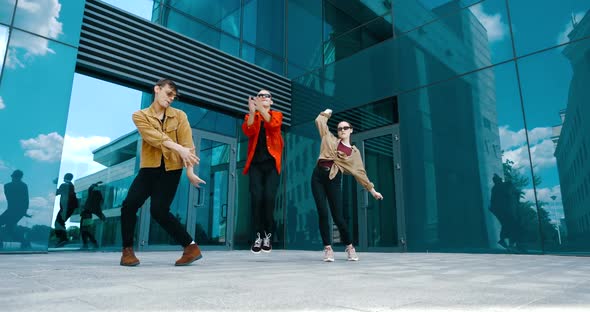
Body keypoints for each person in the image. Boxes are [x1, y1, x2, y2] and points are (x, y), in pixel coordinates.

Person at [119, 78, 206, 267]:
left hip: (171, 170)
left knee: (159, 210)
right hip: (149, 169)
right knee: (129, 204)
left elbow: (187, 144)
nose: (171, 98)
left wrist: (190, 172)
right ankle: (127, 251)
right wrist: (179, 149)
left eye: (174, 96)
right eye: (168, 93)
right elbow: (153, 137)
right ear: (157, 89)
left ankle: (191, 247)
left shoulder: (180, 115)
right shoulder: (139, 115)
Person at [312, 109, 383, 262]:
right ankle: (328, 249)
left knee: (338, 216)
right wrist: (326, 113)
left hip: (334, 178)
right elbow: (319, 122)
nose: (342, 130)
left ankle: (349, 246)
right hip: (318, 176)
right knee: (323, 213)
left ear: (351, 130)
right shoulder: (329, 138)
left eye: (345, 128)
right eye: (339, 128)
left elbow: (360, 173)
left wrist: (373, 191)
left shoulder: (354, 153)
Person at [242, 89, 284, 254]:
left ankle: (268, 235)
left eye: (266, 96)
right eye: (259, 95)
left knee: (269, 198)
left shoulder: (277, 115)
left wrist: (260, 110)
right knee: (256, 198)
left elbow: (273, 125)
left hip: (271, 165)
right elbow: (248, 131)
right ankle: (258, 235)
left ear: (271, 102)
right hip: (256, 165)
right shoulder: (251, 116)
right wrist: (253, 112)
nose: (263, 98)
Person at [0, 170, 31, 249]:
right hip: (12, 210)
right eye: (14, 177)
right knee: (9, 229)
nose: (14, 178)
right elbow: (11, 199)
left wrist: (24, 211)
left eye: (16, 177)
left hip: (17, 211)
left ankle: (24, 242)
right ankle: (24, 242)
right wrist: (23, 211)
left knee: (9, 228)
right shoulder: (8, 186)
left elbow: (25, 200)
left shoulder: (22, 186)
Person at [54, 173, 78, 247]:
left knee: (58, 222)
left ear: (64, 177)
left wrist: (54, 184)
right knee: (60, 222)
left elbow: (56, 193)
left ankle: (63, 239)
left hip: (65, 208)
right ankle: (62, 239)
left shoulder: (65, 185)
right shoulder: (71, 185)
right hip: (69, 208)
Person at [80, 182, 106, 249]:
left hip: (87, 215)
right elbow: (99, 211)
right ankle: (90, 243)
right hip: (87, 215)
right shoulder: (97, 199)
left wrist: (95, 184)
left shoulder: (93, 195)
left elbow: (90, 188)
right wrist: (102, 217)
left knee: (85, 230)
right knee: (85, 231)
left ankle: (90, 243)